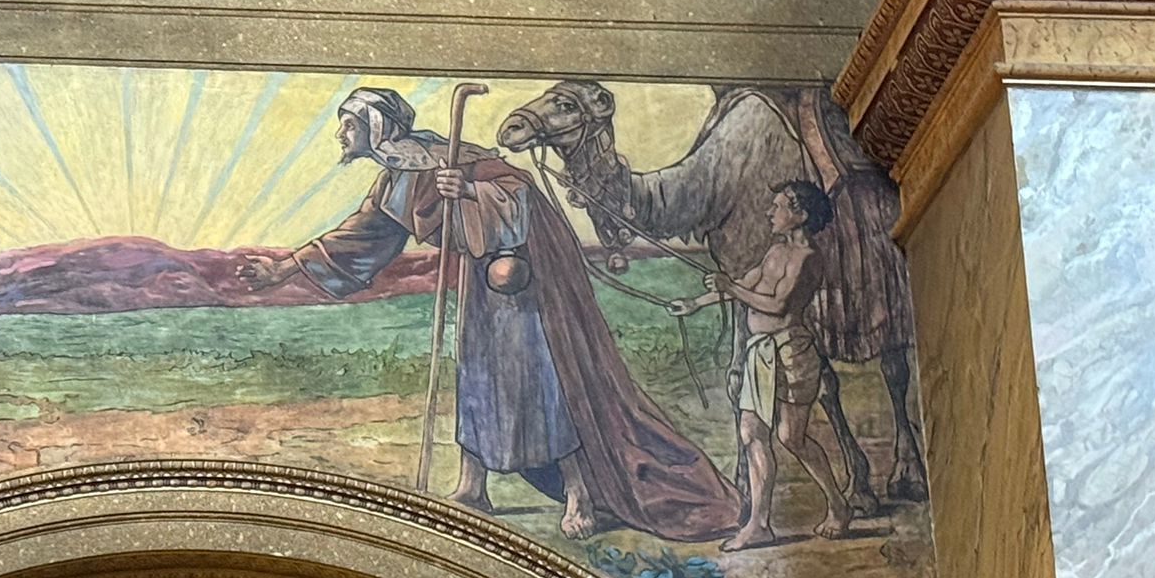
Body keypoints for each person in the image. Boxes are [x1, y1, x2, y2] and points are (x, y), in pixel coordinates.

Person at [237, 87, 736, 542]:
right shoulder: (396, 180)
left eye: (349, 125)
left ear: (377, 127)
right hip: (481, 281)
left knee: (542, 378)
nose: (341, 135)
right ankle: (473, 487)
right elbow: (362, 235)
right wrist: (283, 268)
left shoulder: (452, 157)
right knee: (476, 373)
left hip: (527, 281)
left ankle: (579, 491)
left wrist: (470, 191)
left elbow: (518, 192)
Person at [670, 180, 853, 550]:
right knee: (752, 432)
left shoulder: (807, 258)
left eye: (778, 206)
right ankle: (759, 524)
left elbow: (778, 306)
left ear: (800, 214)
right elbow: (746, 283)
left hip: (790, 353)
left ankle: (838, 504)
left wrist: (730, 288)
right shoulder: (775, 252)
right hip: (760, 353)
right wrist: (697, 303)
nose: (770, 212)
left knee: (791, 438)